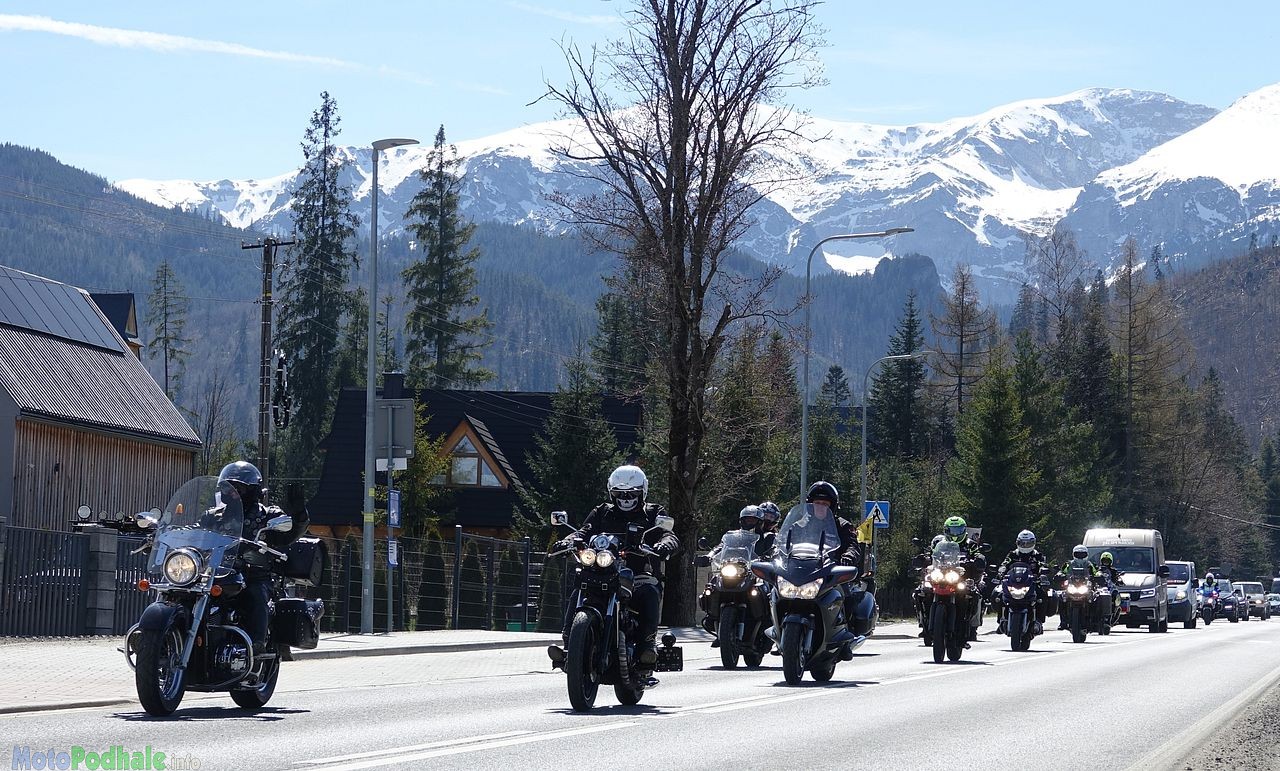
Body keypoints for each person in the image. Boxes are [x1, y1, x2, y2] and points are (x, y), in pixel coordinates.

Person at [550, 465, 679, 676]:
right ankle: (569, 644)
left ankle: (647, 646)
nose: (625, 498)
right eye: (620, 493)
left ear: (642, 492)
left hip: (639, 573)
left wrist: (664, 545)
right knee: (579, 588)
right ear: (612, 493)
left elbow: (668, 534)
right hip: (603, 570)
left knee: (649, 592)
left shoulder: (653, 513)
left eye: (631, 493)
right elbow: (583, 532)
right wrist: (568, 540)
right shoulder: (602, 511)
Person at [217, 461, 309, 655]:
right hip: (218, 573)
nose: (232, 493)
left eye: (238, 489)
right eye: (228, 488)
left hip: (255, 575)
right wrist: (168, 532)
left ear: (252, 491)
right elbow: (196, 531)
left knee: (255, 594)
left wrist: (299, 517)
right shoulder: (215, 516)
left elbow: (289, 534)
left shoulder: (267, 516)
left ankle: (256, 645)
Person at [997, 529, 1049, 634]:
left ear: (1033, 543)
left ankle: (1039, 621)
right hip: (1014, 582)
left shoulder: (1038, 555)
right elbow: (1004, 564)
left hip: (1032, 583)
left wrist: (1042, 573)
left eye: (1028, 543)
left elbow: (1043, 565)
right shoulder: (1013, 554)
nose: (1025, 546)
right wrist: (1001, 571)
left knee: (1043, 596)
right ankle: (1001, 620)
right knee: (998, 595)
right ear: (1018, 543)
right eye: (1022, 543)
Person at [1057, 544, 1098, 629]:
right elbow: (1062, 571)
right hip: (1072, 585)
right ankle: (1063, 621)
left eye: (1082, 554)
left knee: (1095, 598)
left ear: (1086, 555)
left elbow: (1096, 572)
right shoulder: (1069, 564)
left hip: (1085, 586)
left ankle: (1095, 621)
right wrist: (1059, 574)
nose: (1080, 556)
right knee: (1061, 597)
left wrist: (1098, 575)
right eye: (1078, 554)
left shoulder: (1089, 564)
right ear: (1073, 554)